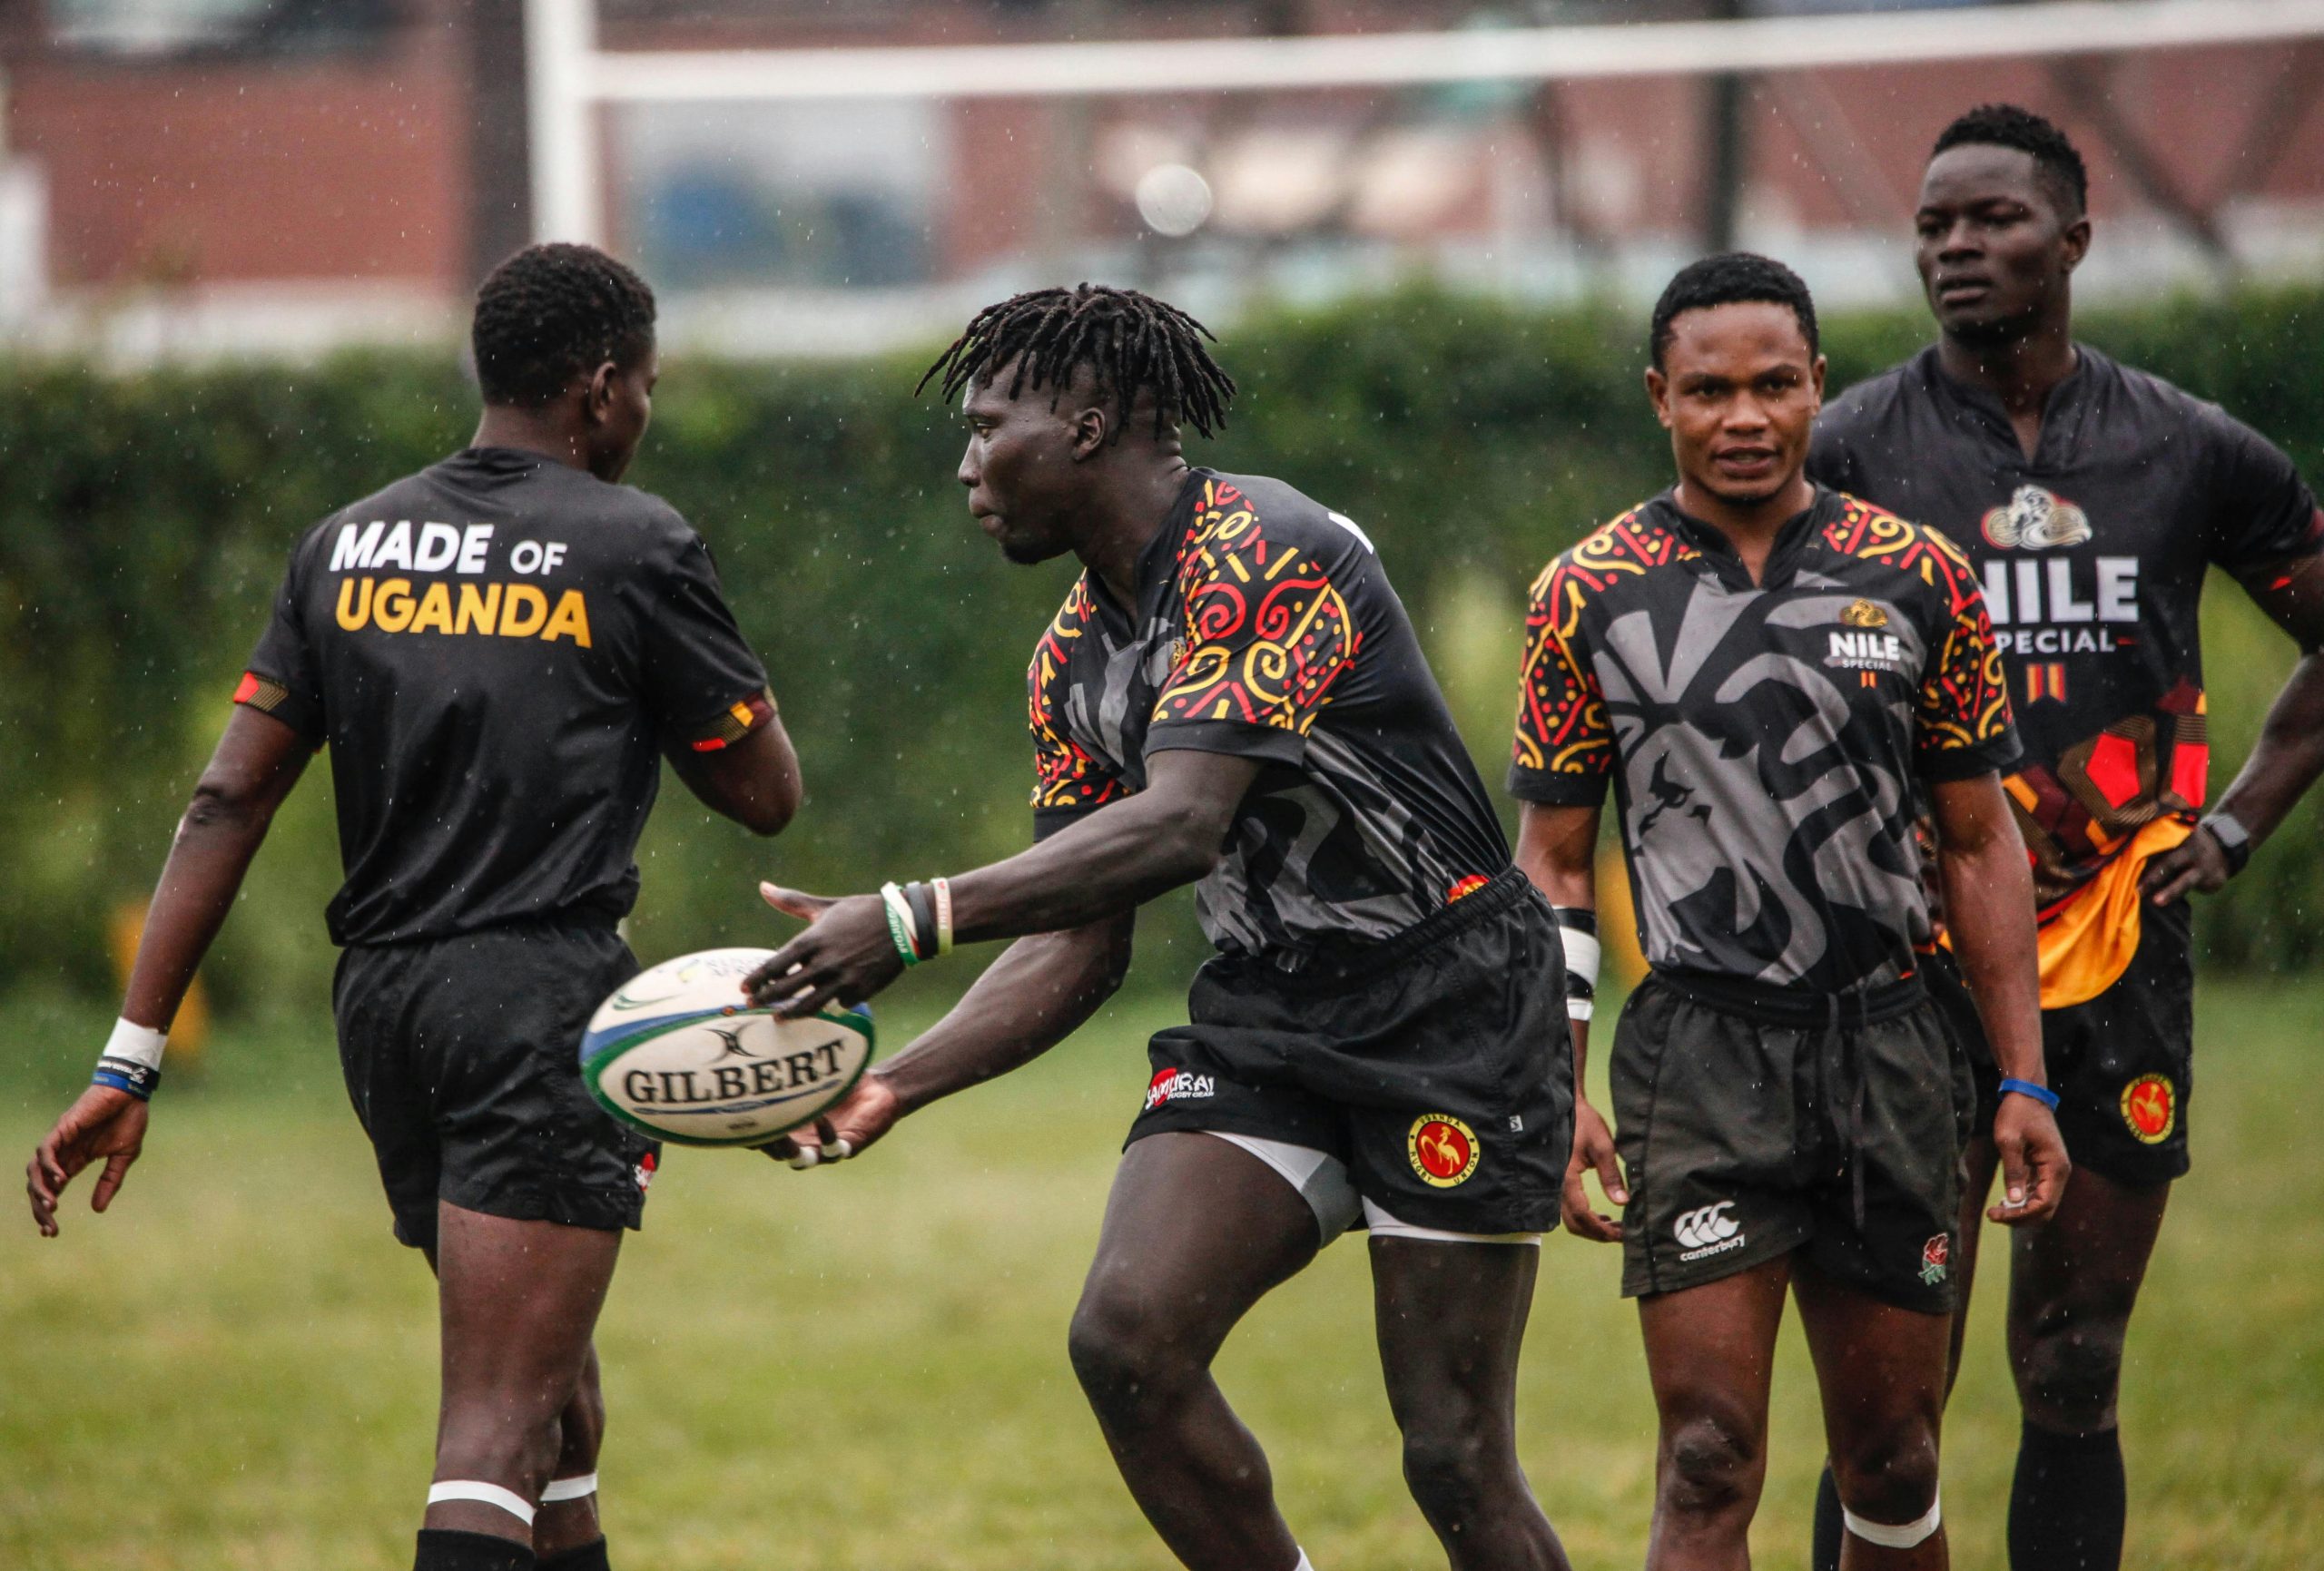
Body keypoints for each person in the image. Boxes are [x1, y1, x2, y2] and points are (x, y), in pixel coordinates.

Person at [742, 283, 1576, 1571]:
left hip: (1451, 1005)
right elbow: (1082, 938)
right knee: (1127, 1340)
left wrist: (911, 918)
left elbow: (1182, 824)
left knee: (1454, 1460)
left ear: (1086, 425)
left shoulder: (1264, 549)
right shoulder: (1070, 659)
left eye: (987, 428)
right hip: (1271, 1013)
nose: (967, 468)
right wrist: (897, 1084)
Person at [23, 243, 802, 1571]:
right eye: (647, 386)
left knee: (559, 1410)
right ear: (601, 388)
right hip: (534, 1005)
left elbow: (225, 800)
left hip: (385, 1014)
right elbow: (765, 794)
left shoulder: (346, 542)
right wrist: (684, 655)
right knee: (496, 1428)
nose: (644, 412)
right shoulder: (635, 541)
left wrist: (128, 1059)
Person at [1804, 104, 2324, 1571]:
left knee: (2075, 1359)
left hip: (2120, 954)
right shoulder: (1848, 451)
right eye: (1934, 226)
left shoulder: (2187, 448)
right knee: (1890, 1395)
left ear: (2075, 240)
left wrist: (2237, 825)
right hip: (1914, 961)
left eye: (1994, 220)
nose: (1957, 248)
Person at [1512, 252, 2070, 1569]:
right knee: (1707, 1453)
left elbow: (1980, 840)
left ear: (1819, 384)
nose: (1745, 417)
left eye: (1774, 384)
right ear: (1660, 397)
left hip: (1892, 1045)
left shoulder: (1920, 575)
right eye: (1709, 391)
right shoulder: (1587, 592)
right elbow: (1554, 862)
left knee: (1895, 1456)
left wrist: (2024, 1078)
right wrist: (1556, 1075)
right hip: (1700, 1059)